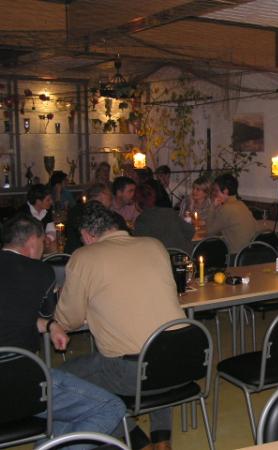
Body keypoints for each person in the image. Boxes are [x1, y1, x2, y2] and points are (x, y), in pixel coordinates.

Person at [54, 202, 186, 450]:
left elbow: (69, 319)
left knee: (60, 379)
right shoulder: (154, 245)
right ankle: (162, 440)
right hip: (183, 361)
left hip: (130, 371)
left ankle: (135, 439)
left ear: (87, 235)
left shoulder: (85, 257)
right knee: (157, 351)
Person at [0, 215, 125, 447]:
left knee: (63, 418)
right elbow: (50, 312)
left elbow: (15, 316)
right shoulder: (40, 271)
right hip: (20, 385)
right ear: (32, 242)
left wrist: (49, 326)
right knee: (112, 408)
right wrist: (51, 320)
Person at [64, 183, 128, 254]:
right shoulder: (113, 217)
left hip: (71, 255)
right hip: (99, 256)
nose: (112, 199)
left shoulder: (74, 210)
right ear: (102, 194)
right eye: (110, 195)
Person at [133, 183, 195, 255]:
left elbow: (142, 246)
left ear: (137, 202)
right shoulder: (169, 212)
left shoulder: (141, 221)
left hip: (161, 258)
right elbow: (190, 231)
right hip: (183, 256)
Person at [205, 173, 257, 254]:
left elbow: (209, 232)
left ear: (225, 191)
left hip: (235, 257)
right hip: (250, 254)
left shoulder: (226, 208)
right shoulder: (241, 204)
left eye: (216, 190)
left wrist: (212, 207)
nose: (214, 194)